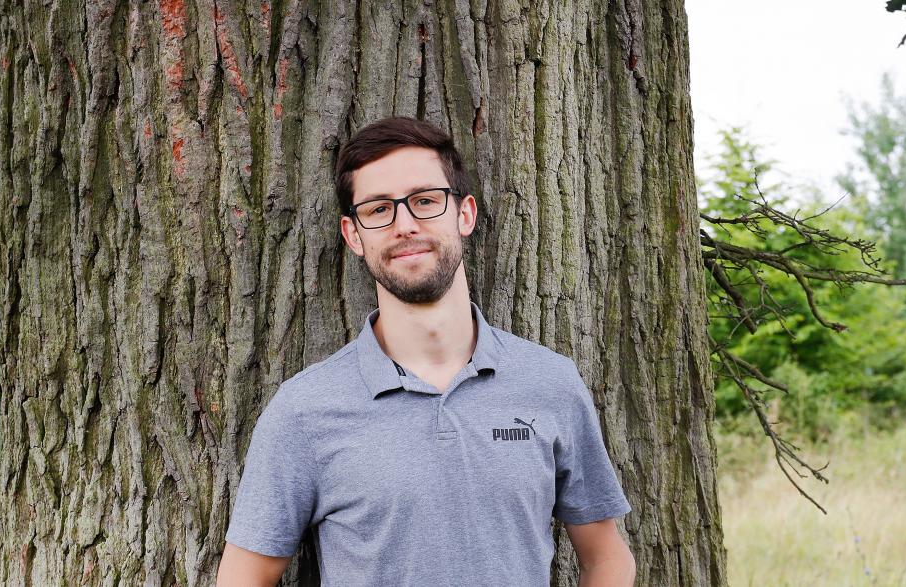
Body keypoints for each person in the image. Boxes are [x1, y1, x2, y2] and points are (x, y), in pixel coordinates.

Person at [216, 116, 636, 586]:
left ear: (464, 214)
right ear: (354, 235)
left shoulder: (550, 383)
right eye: (378, 210)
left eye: (425, 201)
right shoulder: (304, 410)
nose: (405, 225)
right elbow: (243, 578)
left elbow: (605, 557)